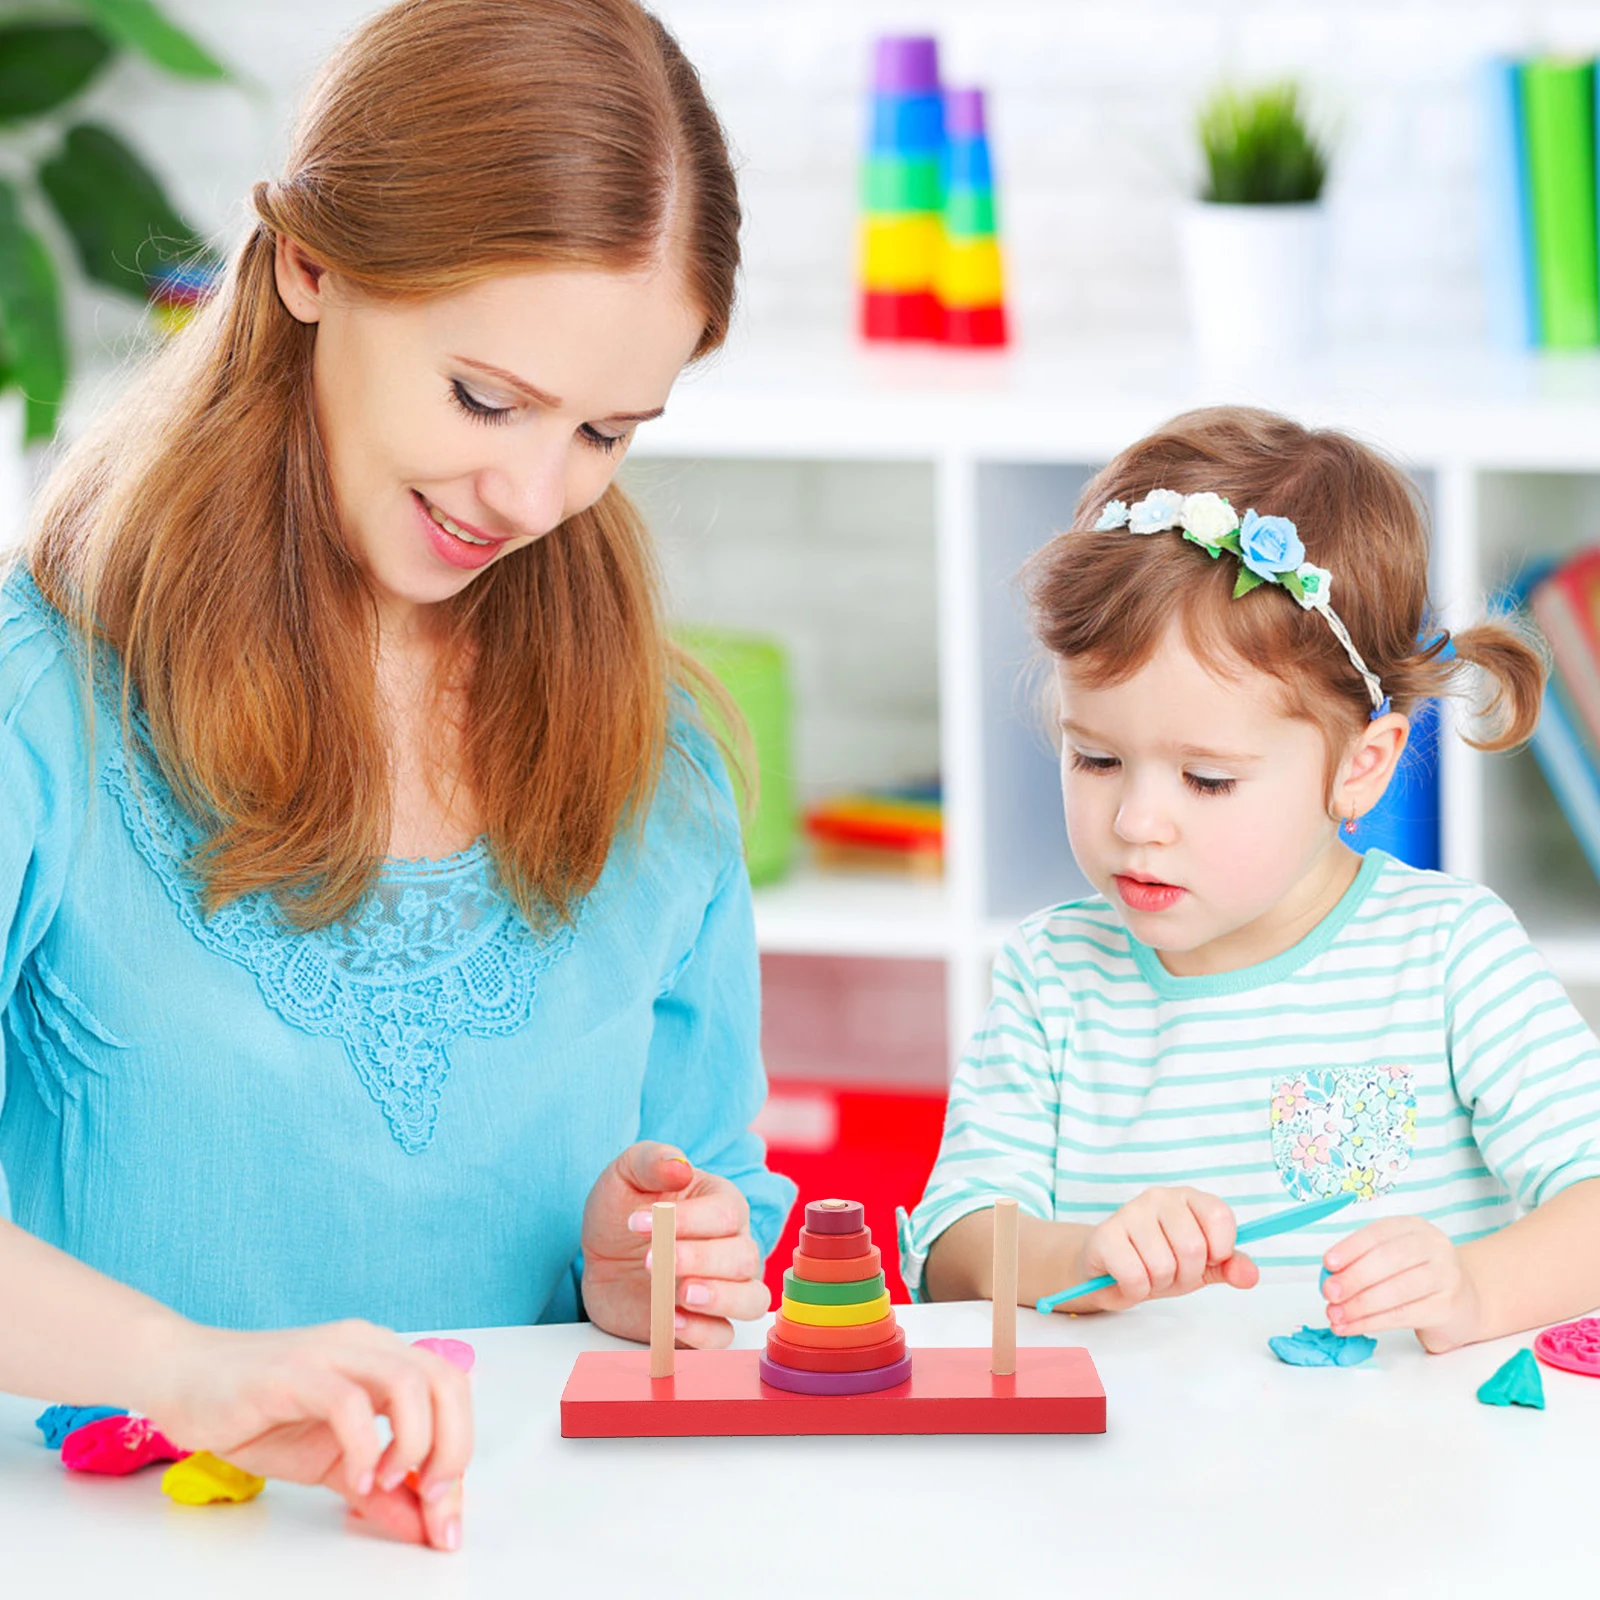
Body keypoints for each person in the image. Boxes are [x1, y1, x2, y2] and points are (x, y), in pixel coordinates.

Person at [0, 0, 793, 1509]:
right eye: (486, 398)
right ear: (311, 263)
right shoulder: (43, 699)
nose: (535, 496)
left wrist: (649, 1271)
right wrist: (188, 1369)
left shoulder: (658, 752)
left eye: (606, 433)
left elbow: (718, 1192)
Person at [902, 405, 1600, 1353]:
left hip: (1393, 1445)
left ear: (1361, 766)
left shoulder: (1447, 956)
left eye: (1207, 779)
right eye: (1096, 759)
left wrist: (1473, 1288)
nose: (1136, 821)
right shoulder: (1052, 976)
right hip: (1132, 1449)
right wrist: (1078, 1257)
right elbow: (953, 1251)